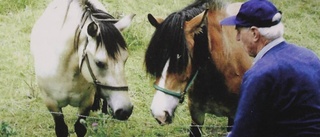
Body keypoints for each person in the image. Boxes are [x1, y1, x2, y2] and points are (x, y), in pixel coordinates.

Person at [220, 0, 320, 136]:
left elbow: (243, 133)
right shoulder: (309, 56)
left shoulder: (259, 74)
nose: (237, 38)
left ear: (254, 34)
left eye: (238, 31)